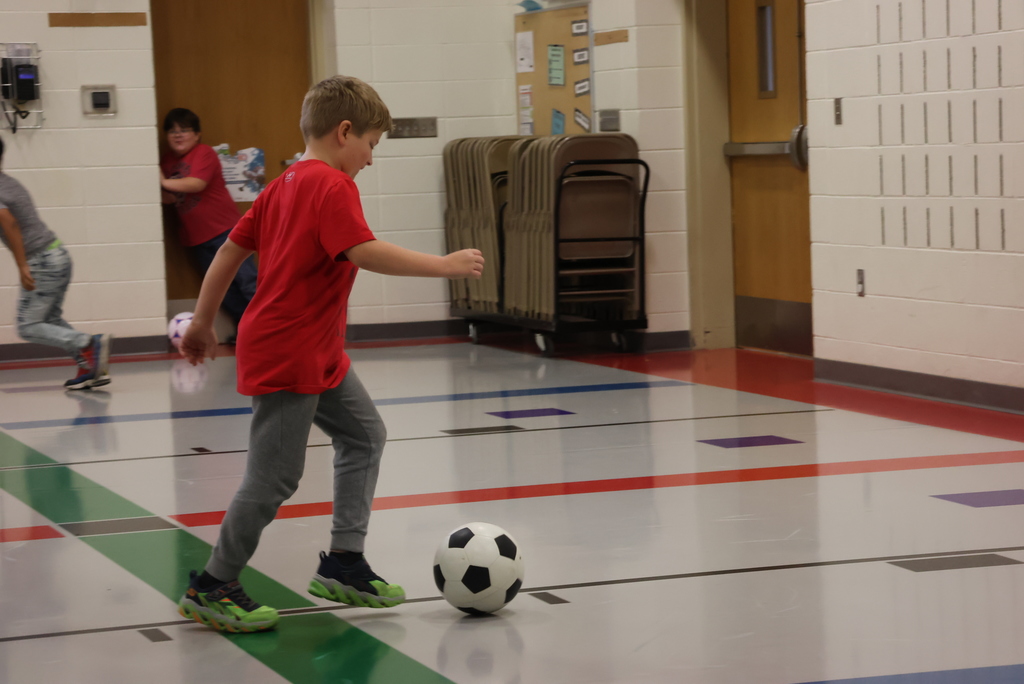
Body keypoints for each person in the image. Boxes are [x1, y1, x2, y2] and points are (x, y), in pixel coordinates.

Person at [175, 75, 485, 633]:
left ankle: (344, 562)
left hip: (313, 347)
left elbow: (229, 251)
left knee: (365, 435)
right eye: (371, 144)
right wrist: (444, 265)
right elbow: (362, 250)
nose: (370, 158)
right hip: (291, 347)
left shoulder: (281, 184)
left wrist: (202, 320)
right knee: (273, 479)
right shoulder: (331, 185)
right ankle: (213, 584)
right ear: (345, 132)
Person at [0, 135, 112, 390]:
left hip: (41, 260)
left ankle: (88, 343)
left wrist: (21, 265)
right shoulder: (8, 183)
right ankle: (88, 365)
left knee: (27, 326)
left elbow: (9, 223)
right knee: (48, 318)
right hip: (55, 255)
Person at [159, 108, 256, 330]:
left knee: (248, 282)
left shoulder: (204, 153)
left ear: (197, 134)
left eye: (184, 130)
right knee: (221, 290)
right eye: (172, 131)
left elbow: (196, 184)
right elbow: (169, 199)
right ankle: (247, 331)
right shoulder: (167, 161)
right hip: (196, 239)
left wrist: (163, 182)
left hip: (226, 231)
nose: (178, 135)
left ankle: (275, 330)